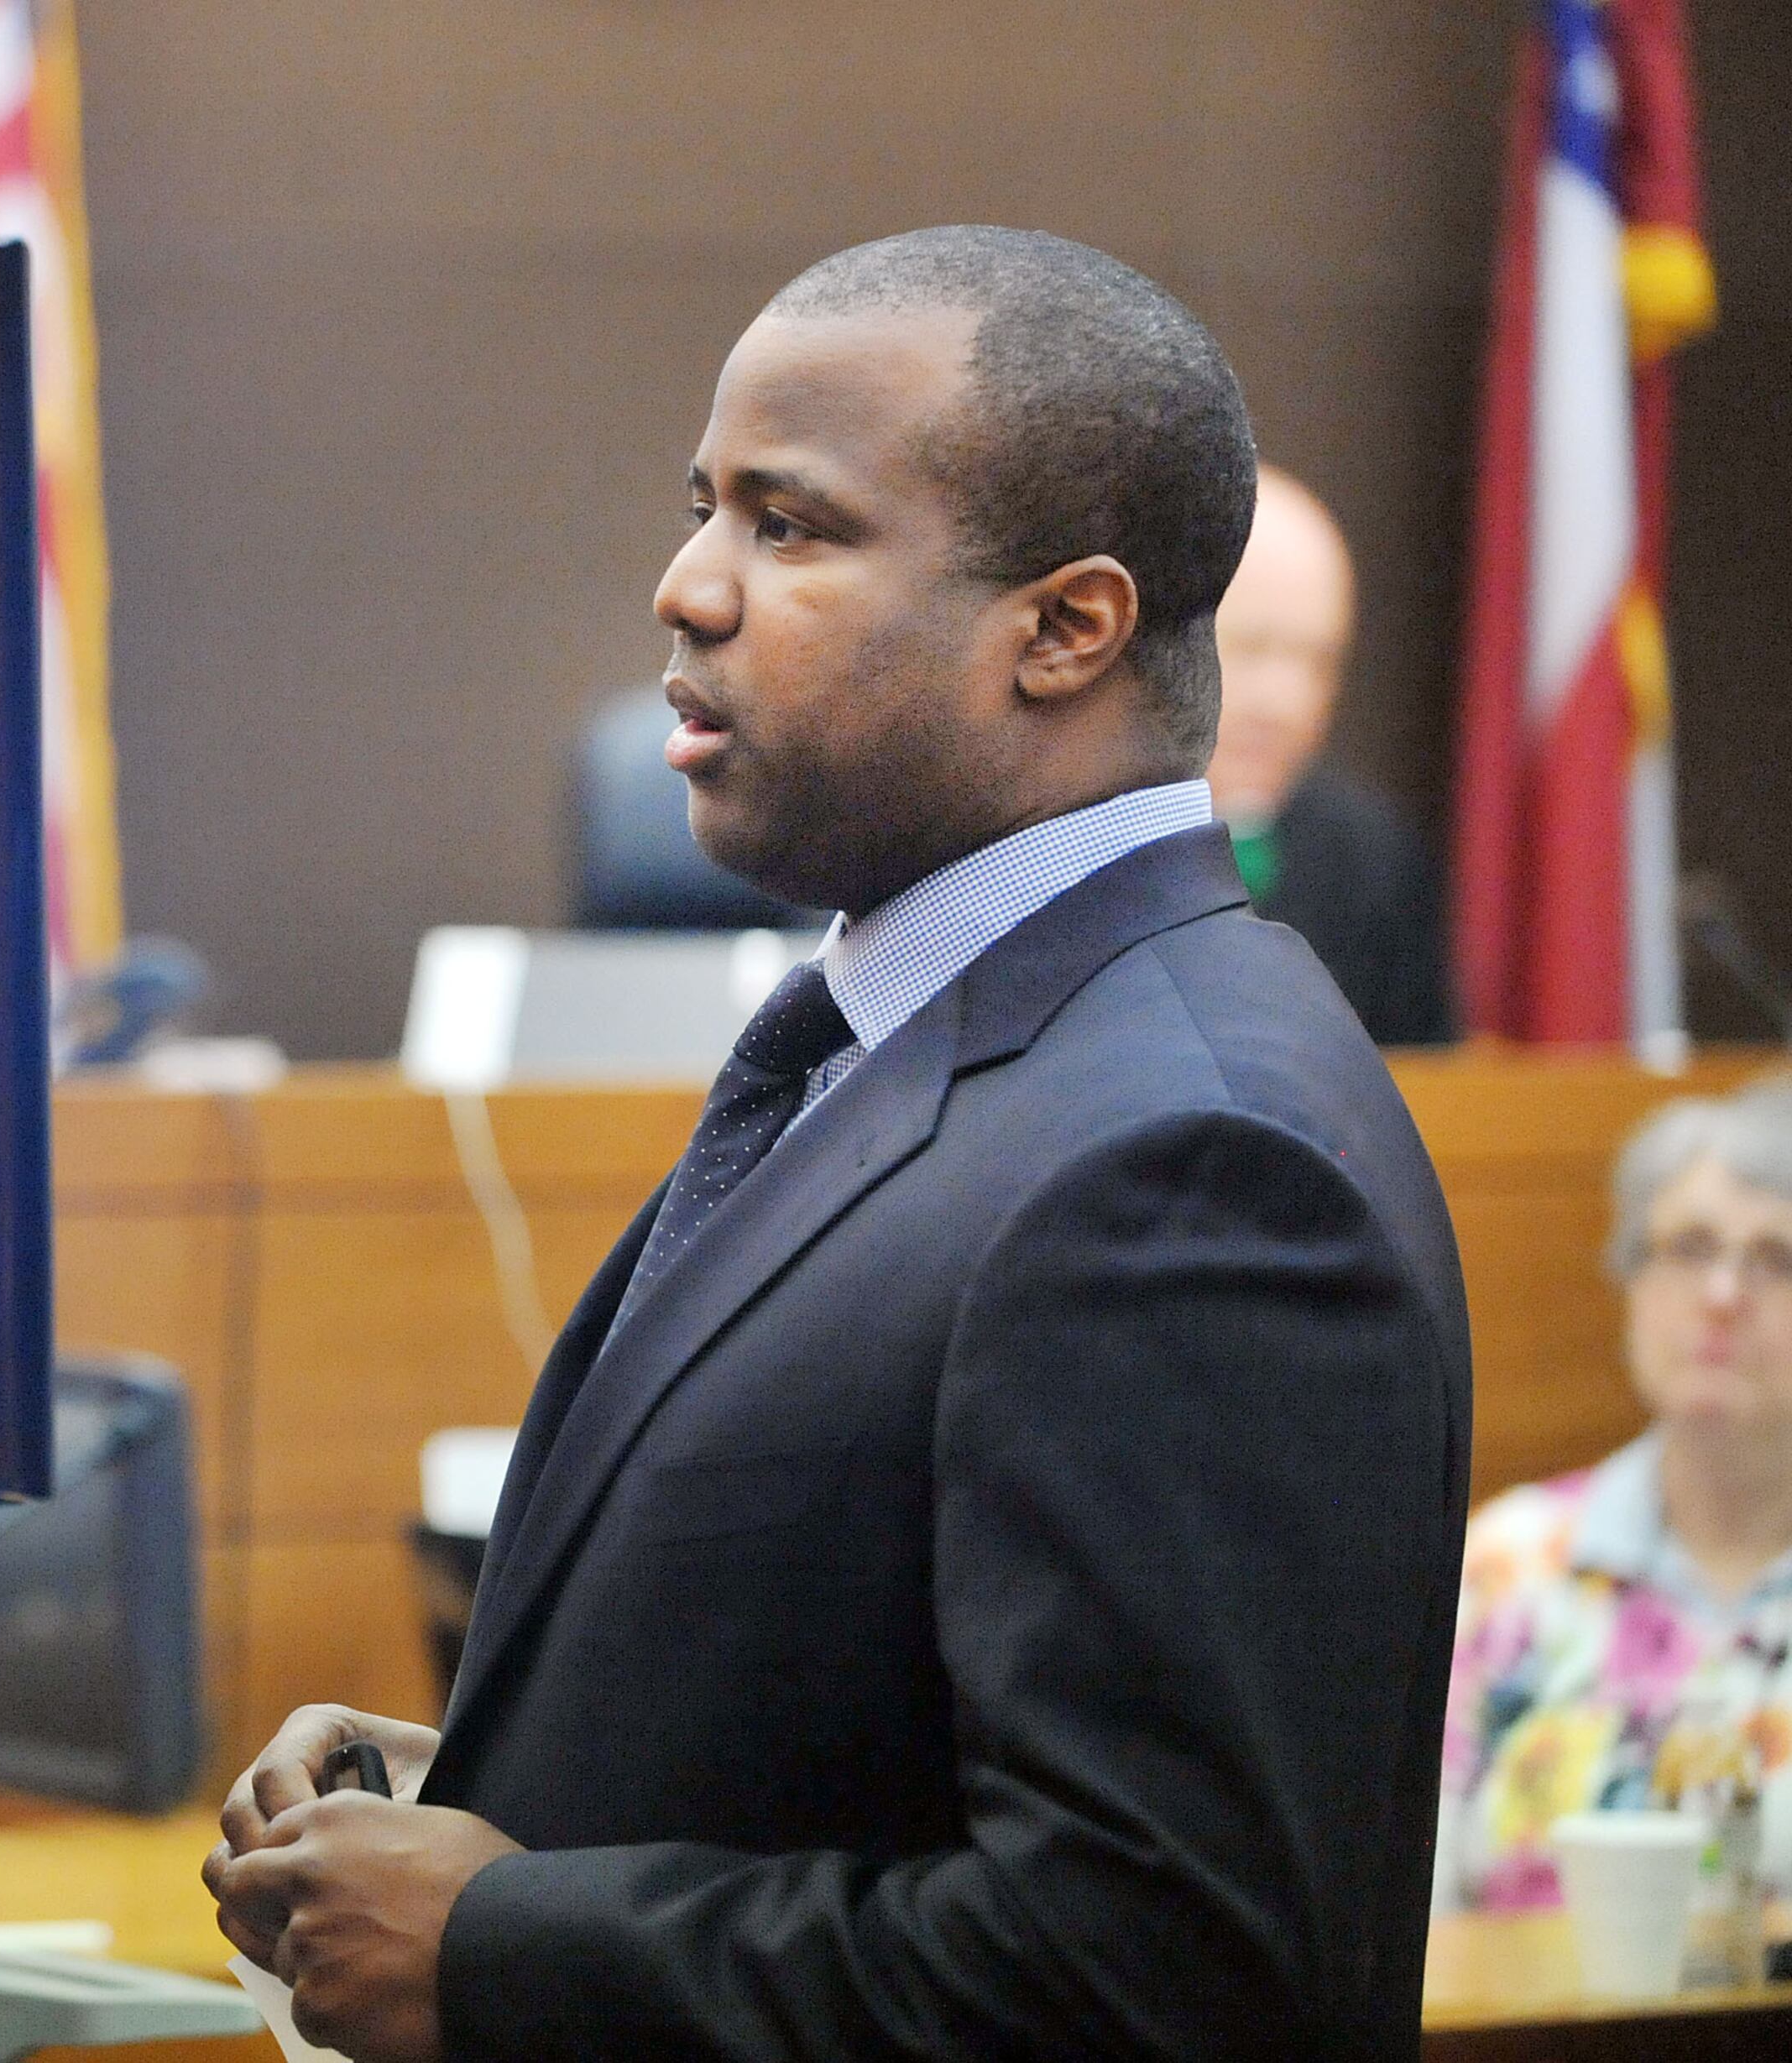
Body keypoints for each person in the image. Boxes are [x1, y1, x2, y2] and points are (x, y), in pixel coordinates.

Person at [204, 226, 1471, 2062]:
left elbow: (1170, 1976)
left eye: (789, 527)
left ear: (1067, 627)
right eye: (704, 507)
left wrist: (504, 1940)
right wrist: (466, 1798)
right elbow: (864, 1740)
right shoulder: (906, 1040)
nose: (684, 588)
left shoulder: (1194, 1156)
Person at [1441, 1079, 1792, 1911]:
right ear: (1629, 1279)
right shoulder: (1507, 1565)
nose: (1722, 1295)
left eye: (1777, 1258)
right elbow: (1408, 1917)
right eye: (1691, 1247)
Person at [1205, 466, 1455, 1045]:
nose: (1283, 703)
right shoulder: (1070, 833)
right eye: (1250, 648)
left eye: (1317, 661)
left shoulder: (1371, 861)